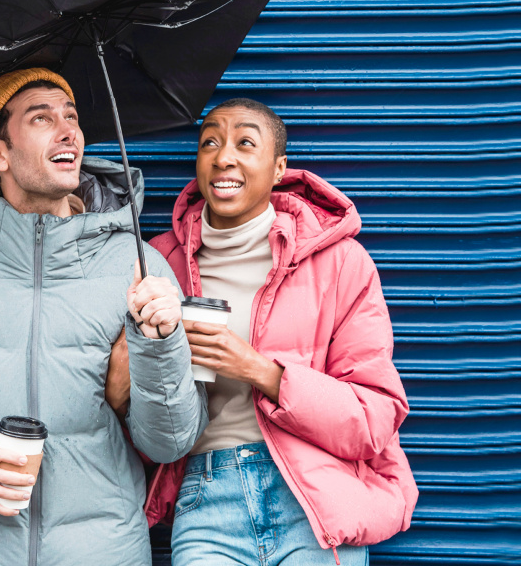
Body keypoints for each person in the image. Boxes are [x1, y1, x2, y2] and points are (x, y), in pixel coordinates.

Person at [0, 67, 208, 566]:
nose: (70, 130)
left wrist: (161, 345)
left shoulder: (137, 266)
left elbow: (170, 443)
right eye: (42, 118)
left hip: (103, 551)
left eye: (71, 116)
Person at [110, 97, 419, 564]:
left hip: (312, 496)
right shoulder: (157, 264)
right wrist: (133, 362)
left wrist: (259, 369)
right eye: (209, 141)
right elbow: (144, 430)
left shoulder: (339, 263)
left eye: (245, 143)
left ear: (279, 168)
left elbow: (375, 419)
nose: (223, 156)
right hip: (204, 497)